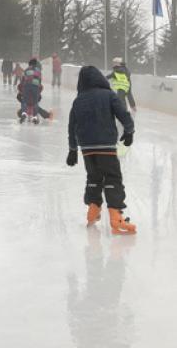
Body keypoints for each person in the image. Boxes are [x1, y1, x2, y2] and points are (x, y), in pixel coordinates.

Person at [67, 66, 136, 234]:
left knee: (93, 177)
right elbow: (123, 114)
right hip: (105, 145)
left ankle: (93, 210)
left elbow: (72, 127)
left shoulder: (78, 100)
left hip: (87, 148)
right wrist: (129, 131)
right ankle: (115, 217)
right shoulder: (109, 95)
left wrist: (72, 149)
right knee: (112, 178)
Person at [18, 58, 52, 123]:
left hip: (27, 86)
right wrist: (38, 90)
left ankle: (24, 113)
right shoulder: (38, 71)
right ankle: (35, 117)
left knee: (24, 101)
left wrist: (22, 88)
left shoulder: (26, 70)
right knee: (35, 102)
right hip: (35, 87)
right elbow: (39, 82)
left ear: (29, 64)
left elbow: (22, 81)